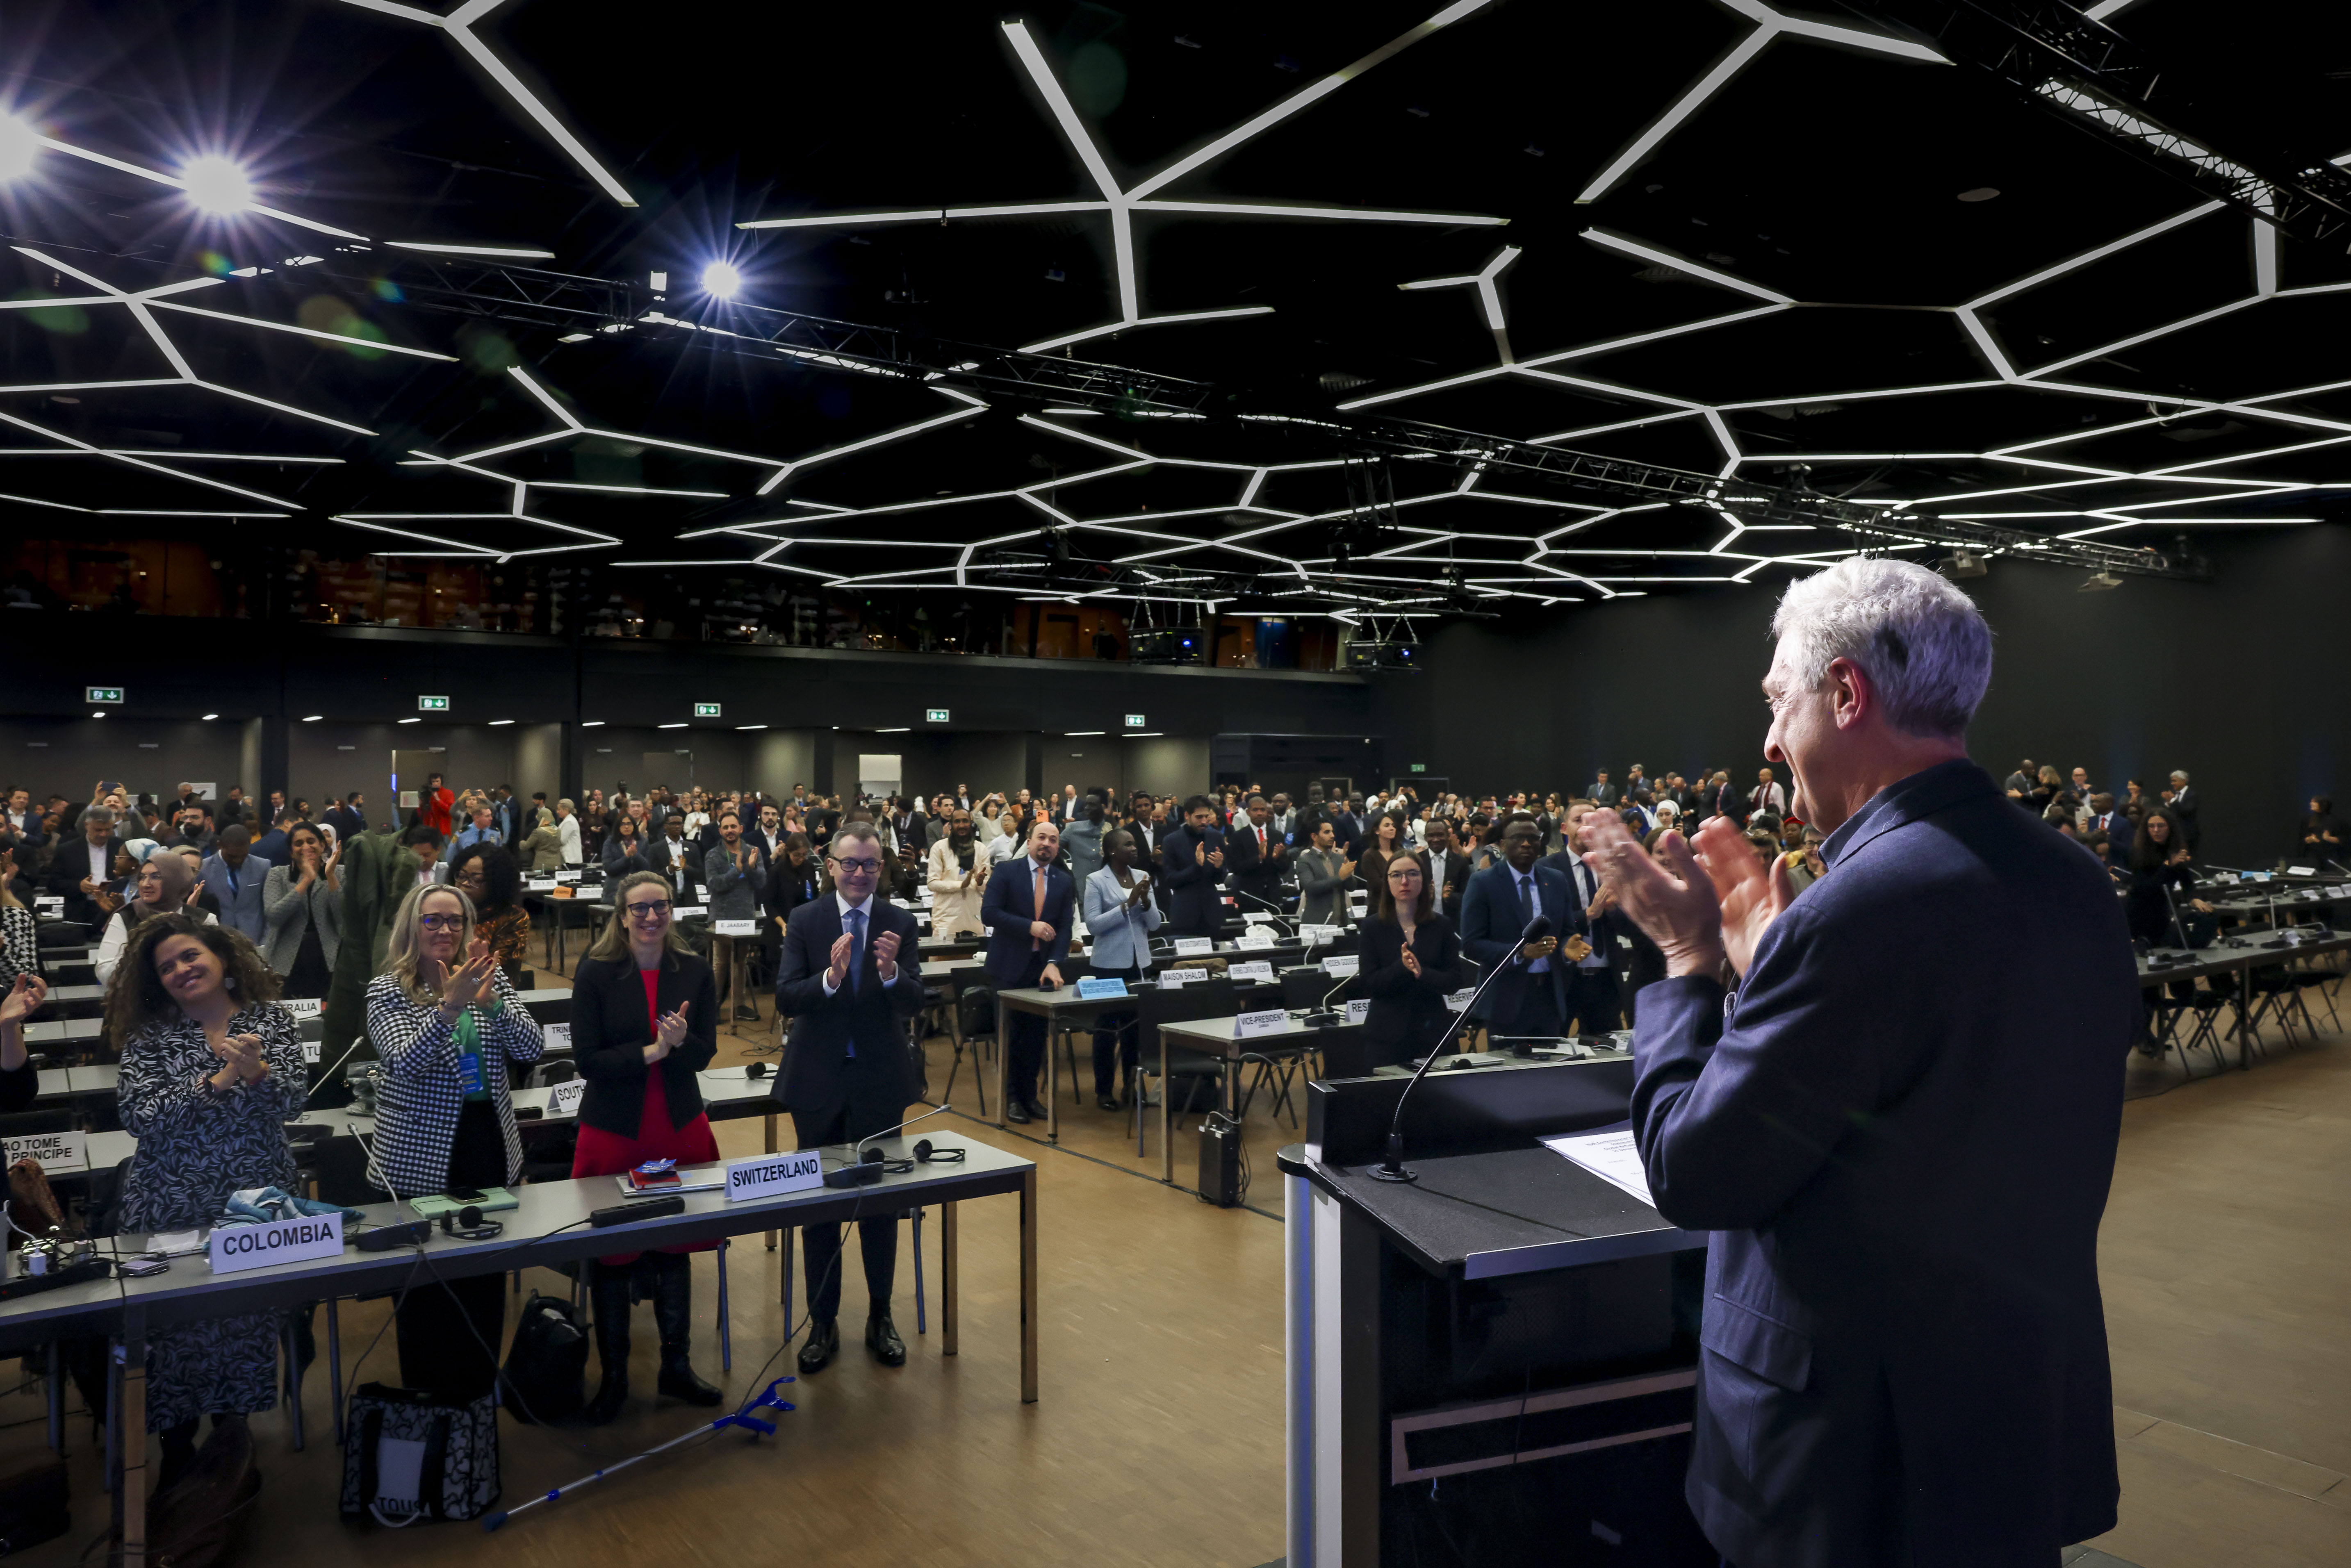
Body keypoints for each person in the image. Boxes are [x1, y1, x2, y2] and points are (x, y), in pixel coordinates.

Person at [1579, 554, 2136, 1566]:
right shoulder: (2073, 880)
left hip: (1854, 1465)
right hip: (2009, 1418)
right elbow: (1926, 1118)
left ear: (1845, 694)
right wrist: (1770, 976)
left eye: (1778, 701)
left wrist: (1689, 960)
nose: (1768, 738)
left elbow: (1695, 1171)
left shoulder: (1854, 914)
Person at [106, 915, 305, 1489]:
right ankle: (175, 1454)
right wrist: (218, 1080)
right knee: (176, 1332)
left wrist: (258, 1073)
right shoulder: (151, 1035)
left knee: (242, 1322)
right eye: (166, 967)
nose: (180, 971)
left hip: (253, 1201)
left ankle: (230, 1447)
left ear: (221, 956)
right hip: (170, 1205)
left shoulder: (269, 1020)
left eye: (189, 956)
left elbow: (292, 1103)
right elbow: (139, 1117)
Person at [364, 881, 545, 1397]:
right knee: (426, 1295)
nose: (445, 930)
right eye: (433, 920)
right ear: (412, 927)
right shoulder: (387, 990)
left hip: (485, 1142)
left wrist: (492, 1006)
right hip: (417, 1156)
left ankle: (476, 1408)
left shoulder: (493, 977)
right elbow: (403, 1062)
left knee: (482, 1285)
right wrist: (448, 1008)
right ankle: (427, 1410)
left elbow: (531, 1047)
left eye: (455, 921)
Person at [568, 871, 724, 1421]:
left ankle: (674, 1368)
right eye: (639, 908)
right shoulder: (596, 972)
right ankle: (613, 1379)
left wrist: (679, 1048)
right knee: (615, 1250)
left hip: (676, 1124)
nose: (651, 917)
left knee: (674, 1245)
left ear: (672, 910)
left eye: (660, 906)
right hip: (616, 1129)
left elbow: (704, 1052)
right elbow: (587, 1060)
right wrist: (654, 1052)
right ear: (621, 914)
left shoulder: (696, 969)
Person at [775, 825, 925, 1373]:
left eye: (870, 864)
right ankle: (822, 1321)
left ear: (880, 867)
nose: (860, 873)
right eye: (850, 863)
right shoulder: (806, 920)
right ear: (831, 866)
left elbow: (914, 1002)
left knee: (880, 1205)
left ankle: (881, 1315)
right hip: (817, 1084)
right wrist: (831, 979)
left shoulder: (899, 922)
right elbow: (787, 995)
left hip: (879, 1084)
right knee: (820, 1210)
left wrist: (888, 975)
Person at [982, 817, 1075, 1125]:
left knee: (1035, 1037)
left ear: (1058, 846)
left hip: (1041, 970)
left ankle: (1030, 1096)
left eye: (1053, 840)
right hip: (1008, 968)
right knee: (1010, 1036)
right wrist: (1029, 927)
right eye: (1042, 838)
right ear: (1030, 841)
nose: (1047, 844)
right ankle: (1011, 1099)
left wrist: (1055, 962)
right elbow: (990, 913)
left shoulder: (1064, 879)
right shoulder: (1008, 871)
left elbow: (1064, 927)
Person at [1460, 819, 1574, 1045]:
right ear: (1503, 845)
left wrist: (1569, 946)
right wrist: (1520, 953)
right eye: (1517, 839)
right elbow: (1472, 945)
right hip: (1505, 1001)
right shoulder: (1483, 883)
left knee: (1553, 1075)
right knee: (1508, 1077)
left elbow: (1567, 932)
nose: (1526, 844)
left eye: (1533, 839)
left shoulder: (1556, 880)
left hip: (1549, 997)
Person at [1358, 849, 1465, 1070]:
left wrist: (1422, 973)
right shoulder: (1372, 927)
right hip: (1386, 1037)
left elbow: (1454, 982)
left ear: (1424, 880)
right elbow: (1369, 984)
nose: (1404, 881)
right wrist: (1402, 968)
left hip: (1433, 1034)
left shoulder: (1442, 925)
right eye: (1396, 875)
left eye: (1413, 874)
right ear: (1387, 882)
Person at [1080, 827, 1160, 1110]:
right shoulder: (1096, 880)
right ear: (1112, 850)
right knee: (1107, 1030)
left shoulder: (1142, 876)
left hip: (1140, 964)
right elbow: (1093, 925)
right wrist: (1128, 905)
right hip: (1109, 966)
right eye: (1128, 844)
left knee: (1135, 1031)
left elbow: (1155, 925)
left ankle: (1132, 1087)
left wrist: (1147, 901)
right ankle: (1104, 1090)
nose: (1135, 847)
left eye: (1135, 843)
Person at [95, 846, 216, 985]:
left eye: (156, 877)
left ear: (175, 879)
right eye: (142, 877)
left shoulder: (203, 919)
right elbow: (105, 973)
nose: (146, 884)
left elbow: (216, 966)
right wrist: (142, 946)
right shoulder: (127, 916)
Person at [262, 822, 342, 999]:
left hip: (330, 959)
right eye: (298, 844)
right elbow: (274, 917)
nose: (306, 847)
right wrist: (306, 881)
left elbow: (343, 918)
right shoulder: (278, 875)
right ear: (291, 851)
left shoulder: (341, 873)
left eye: (311, 841)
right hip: (286, 961)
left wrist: (330, 877)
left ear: (323, 846)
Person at [704, 808, 768, 1022]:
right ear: (720, 831)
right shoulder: (713, 855)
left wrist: (750, 868)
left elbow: (761, 882)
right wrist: (736, 870)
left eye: (734, 827)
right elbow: (714, 885)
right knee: (720, 963)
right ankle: (711, 1007)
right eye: (726, 828)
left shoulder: (753, 852)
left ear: (741, 829)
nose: (730, 831)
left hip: (745, 916)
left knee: (741, 962)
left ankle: (739, 1005)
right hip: (720, 918)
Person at [449, 843, 531, 983]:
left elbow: (498, 970)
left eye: (476, 880)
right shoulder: (447, 910)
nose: (465, 884)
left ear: (496, 884)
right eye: (462, 876)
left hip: (489, 991)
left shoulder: (512, 917)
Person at [45, 803, 124, 927]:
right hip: (79, 912)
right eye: (98, 830)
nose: (104, 834)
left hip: (113, 911)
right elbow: (53, 883)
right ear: (87, 825)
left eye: (108, 830)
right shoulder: (66, 850)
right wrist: (79, 886)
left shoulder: (122, 847)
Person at [1158, 796, 1226, 940]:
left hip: (1212, 913)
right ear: (1187, 816)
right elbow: (1171, 880)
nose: (1204, 821)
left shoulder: (1217, 837)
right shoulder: (1171, 841)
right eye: (1199, 817)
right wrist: (1197, 867)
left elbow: (1220, 880)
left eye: (1207, 817)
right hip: (1185, 913)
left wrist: (1219, 867)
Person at [201, 824, 270, 944]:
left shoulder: (263, 866)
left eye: (243, 856)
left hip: (254, 941)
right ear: (220, 846)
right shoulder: (203, 869)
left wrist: (266, 943)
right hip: (218, 941)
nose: (238, 860)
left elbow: (269, 909)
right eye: (232, 856)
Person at [923, 808, 987, 938]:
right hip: (946, 920)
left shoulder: (981, 849)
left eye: (965, 821)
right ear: (951, 825)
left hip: (974, 919)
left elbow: (986, 888)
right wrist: (961, 885)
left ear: (971, 824)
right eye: (957, 822)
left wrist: (980, 883)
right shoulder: (939, 847)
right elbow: (932, 884)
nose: (962, 825)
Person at [1223, 794, 1287, 917]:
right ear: (1248, 812)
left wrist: (1276, 859)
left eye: (1263, 810)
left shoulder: (1277, 835)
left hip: (1272, 896)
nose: (1259, 813)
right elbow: (1234, 868)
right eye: (1255, 810)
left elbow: (1284, 869)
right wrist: (1258, 859)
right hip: (1248, 896)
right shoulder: (1238, 836)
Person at [1294, 819, 1354, 927]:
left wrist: (1349, 874)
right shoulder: (1305, 860)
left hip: (1341, 922)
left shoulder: (1340, 859)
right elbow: (1311, 887)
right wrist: (1340, 877)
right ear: (1314, 837)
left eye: (1332, 832)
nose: (1332, 836)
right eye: (1327, 832)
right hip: (1317, 923)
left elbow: (1352, 887)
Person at [1420, 816, 1469, 923]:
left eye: (1440, 835)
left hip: (1452, 922)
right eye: (1431, 836)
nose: (1436, 839)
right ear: (1425, 838)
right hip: (1422, 920)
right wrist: (1425, 896)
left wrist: (1450, 897)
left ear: (1448, 836)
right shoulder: (1416, 861)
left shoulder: (1461, 862)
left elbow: (1467, 895)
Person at [1062, 794, 1107, 889]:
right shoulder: (1073, 829)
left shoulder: (1112, 830)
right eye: (1086, 805)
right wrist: (1062, 871)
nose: (1087, 808)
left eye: (1092, 805)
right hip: (1082, 886)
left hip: (1107, 887)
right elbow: (1053, 848)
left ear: (1103, 807)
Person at [517, 806, 563, 874]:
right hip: (556, 864)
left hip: (542, 865)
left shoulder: (538, 832)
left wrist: (521, 842)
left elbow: (526, 846)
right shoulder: (558, 831)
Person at [2301, 795, 2344, 862]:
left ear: (2322, 804)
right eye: (2311, 802)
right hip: (2313, 856)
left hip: (2330, 856)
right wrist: (2311, 839)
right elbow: (2303, 839)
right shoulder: (2309, 820)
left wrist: (2329, 838)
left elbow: (2343, 839)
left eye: (2315, 802)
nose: (2311, 803)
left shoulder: (2334, 821)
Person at [2168, 769, 2200, 851]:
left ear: (2184, 781)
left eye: (2175, 781)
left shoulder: (2192, 795)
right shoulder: (2175, 795)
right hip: (2175, 835)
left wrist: (2173, 800)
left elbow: (2186, 811)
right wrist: (2168, 804)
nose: (2172, 784)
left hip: (2188, 835)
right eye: (2172, 781)